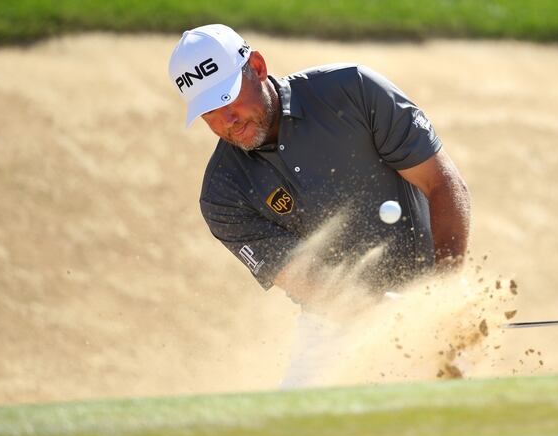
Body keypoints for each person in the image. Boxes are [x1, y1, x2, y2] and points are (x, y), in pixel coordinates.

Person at [168, 24, 470, 385]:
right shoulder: (223, 193)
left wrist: (441, 296)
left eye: (228, 98)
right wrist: (380, 314)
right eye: (209, 114)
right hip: (332, 323)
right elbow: (305, 278)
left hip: (429, 294)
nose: (226, 122)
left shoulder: (352, 91)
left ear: (258, 67)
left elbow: (442, 183)